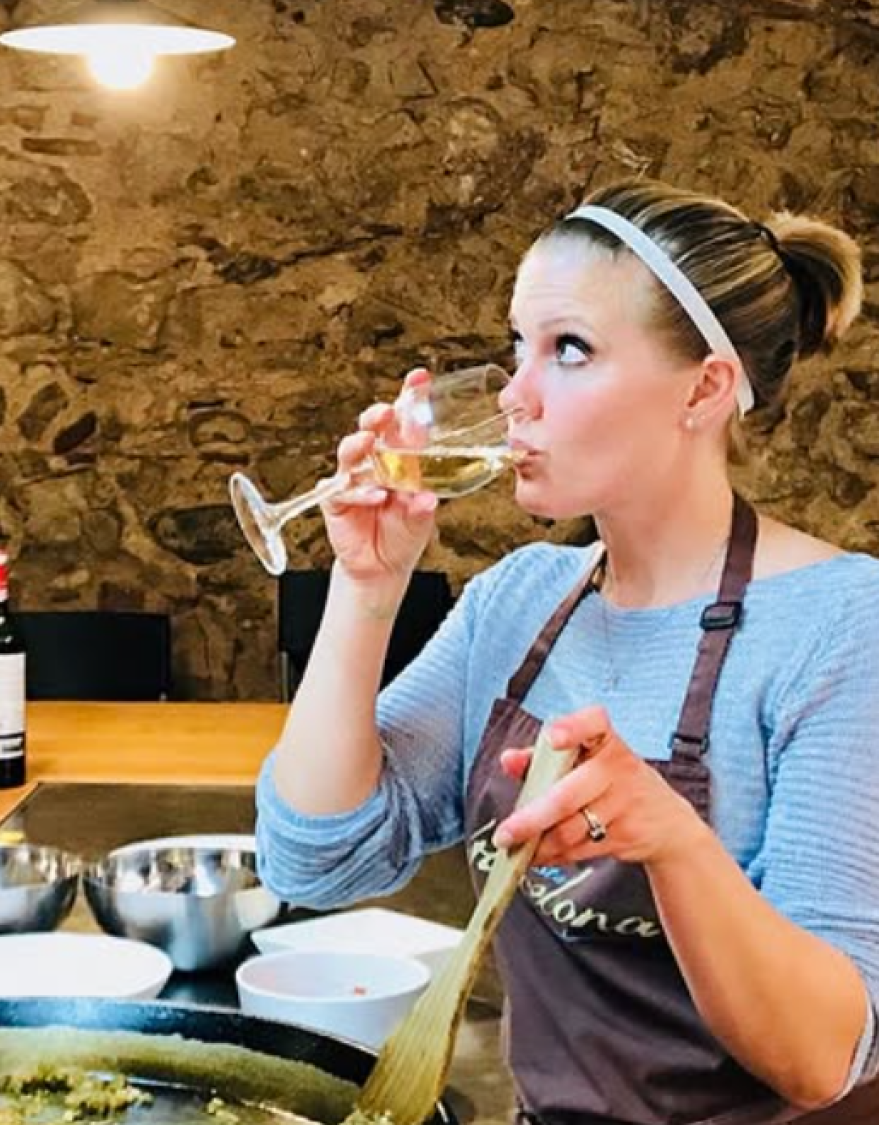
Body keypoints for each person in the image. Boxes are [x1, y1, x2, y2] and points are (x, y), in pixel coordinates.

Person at [253, 178, 879, 1125]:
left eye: (569, 351)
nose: (514, 396)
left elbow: (824, 1054)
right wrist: (365, 591)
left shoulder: (840, 626)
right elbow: (315, 862)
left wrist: (669, 841)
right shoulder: (521, 600)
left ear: (705, 387)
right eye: (518, 347)